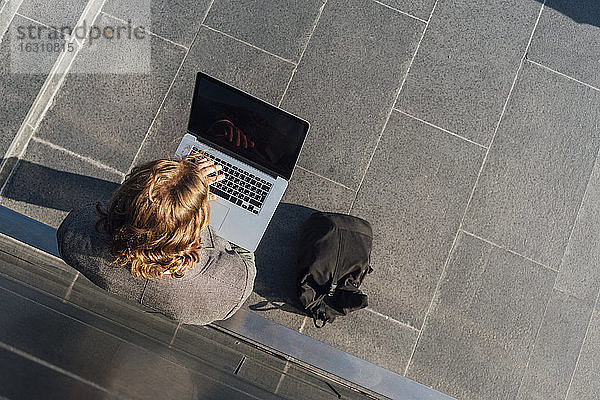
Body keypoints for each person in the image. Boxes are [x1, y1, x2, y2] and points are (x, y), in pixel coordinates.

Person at [56, 153, 256, 325]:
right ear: (193, 230)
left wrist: (176, 193)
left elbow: (112, 211)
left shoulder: (73, 235)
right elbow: (246, 257)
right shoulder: (230, 289)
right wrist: (196, 204)